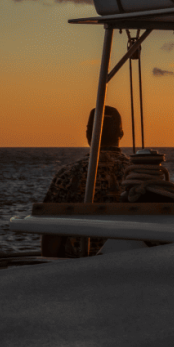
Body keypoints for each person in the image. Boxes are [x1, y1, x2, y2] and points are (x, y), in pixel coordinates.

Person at [40, 106, 131, 257]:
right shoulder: (138, 175)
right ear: (121, 133)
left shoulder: (67, 175)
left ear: (88, 134)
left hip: (77, 265)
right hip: (129, 263)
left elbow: (50, 233)